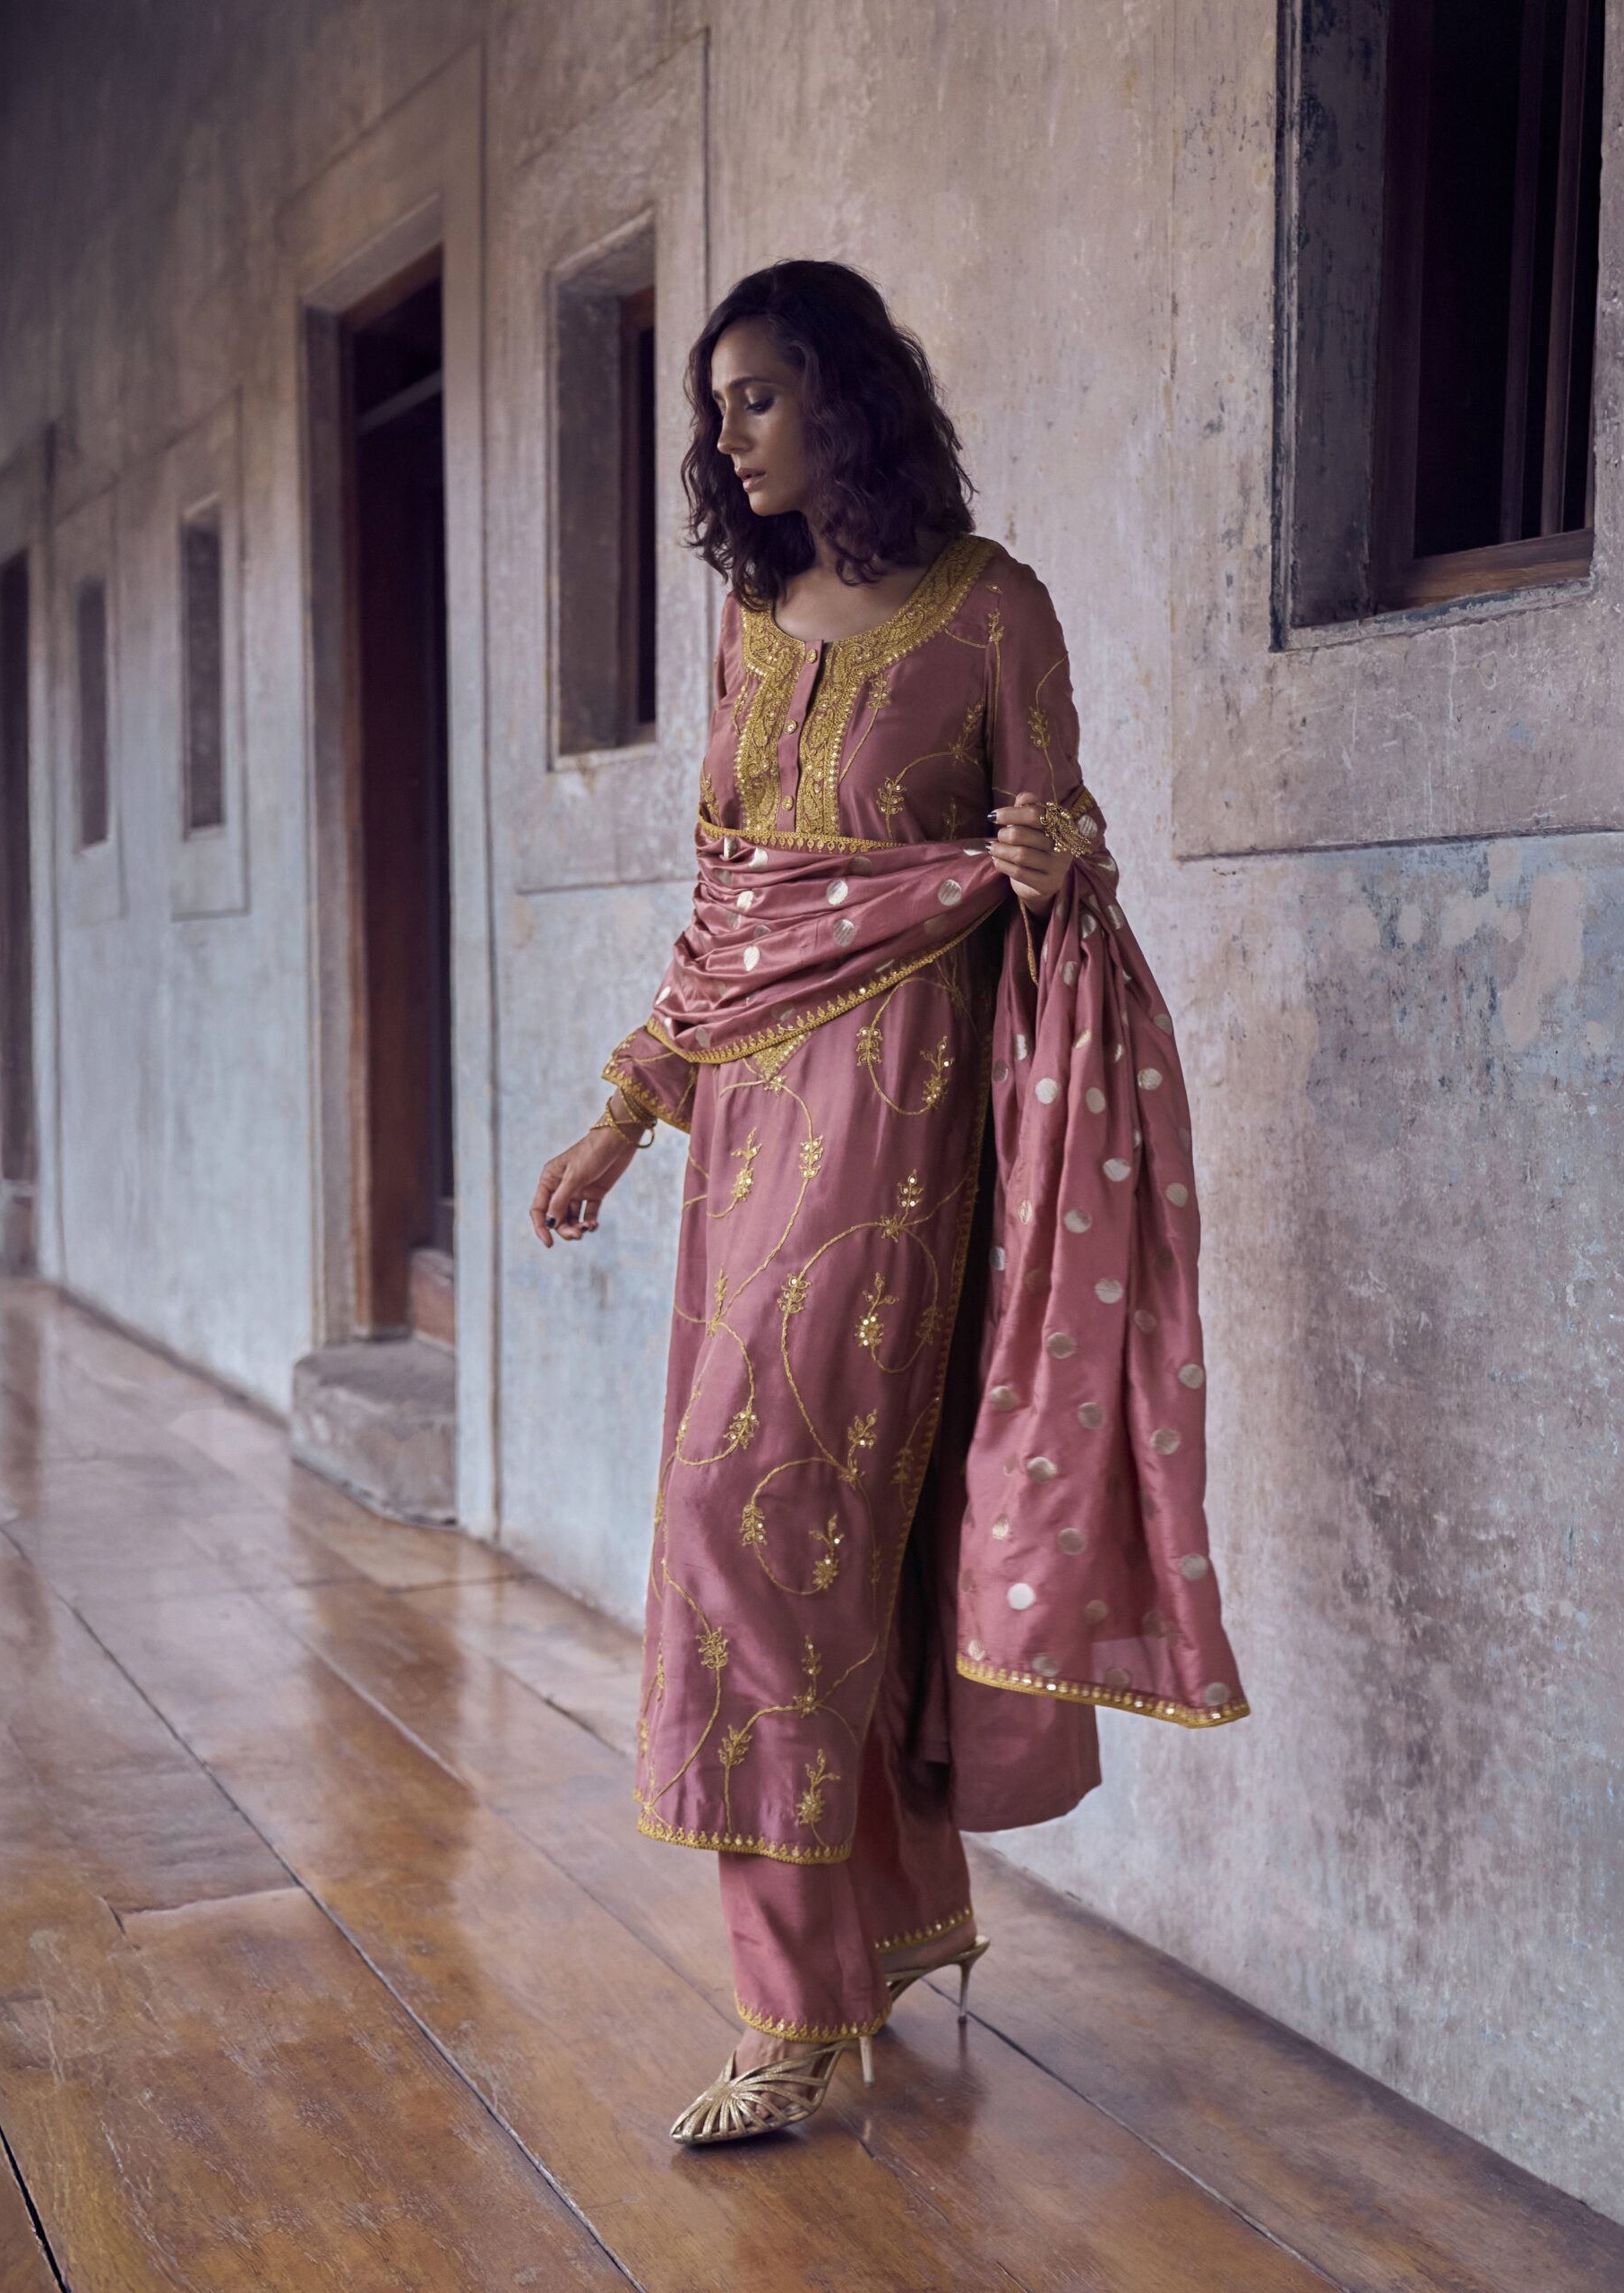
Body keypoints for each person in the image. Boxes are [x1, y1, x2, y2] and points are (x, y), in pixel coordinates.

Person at [530, 259, 1249, 2145]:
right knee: (801, 1535)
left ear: (845, 397)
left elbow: (1060, 859)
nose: (725, 436)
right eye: (713, 408)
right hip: (744, 1147)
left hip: (905, 1140)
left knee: (765, 1523)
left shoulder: (992, 610)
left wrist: (1051, 862)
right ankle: (880, 1938)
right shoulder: (749, 622)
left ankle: (791, 2012)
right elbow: (731, 914)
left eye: (757, 396)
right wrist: (624, 1112)